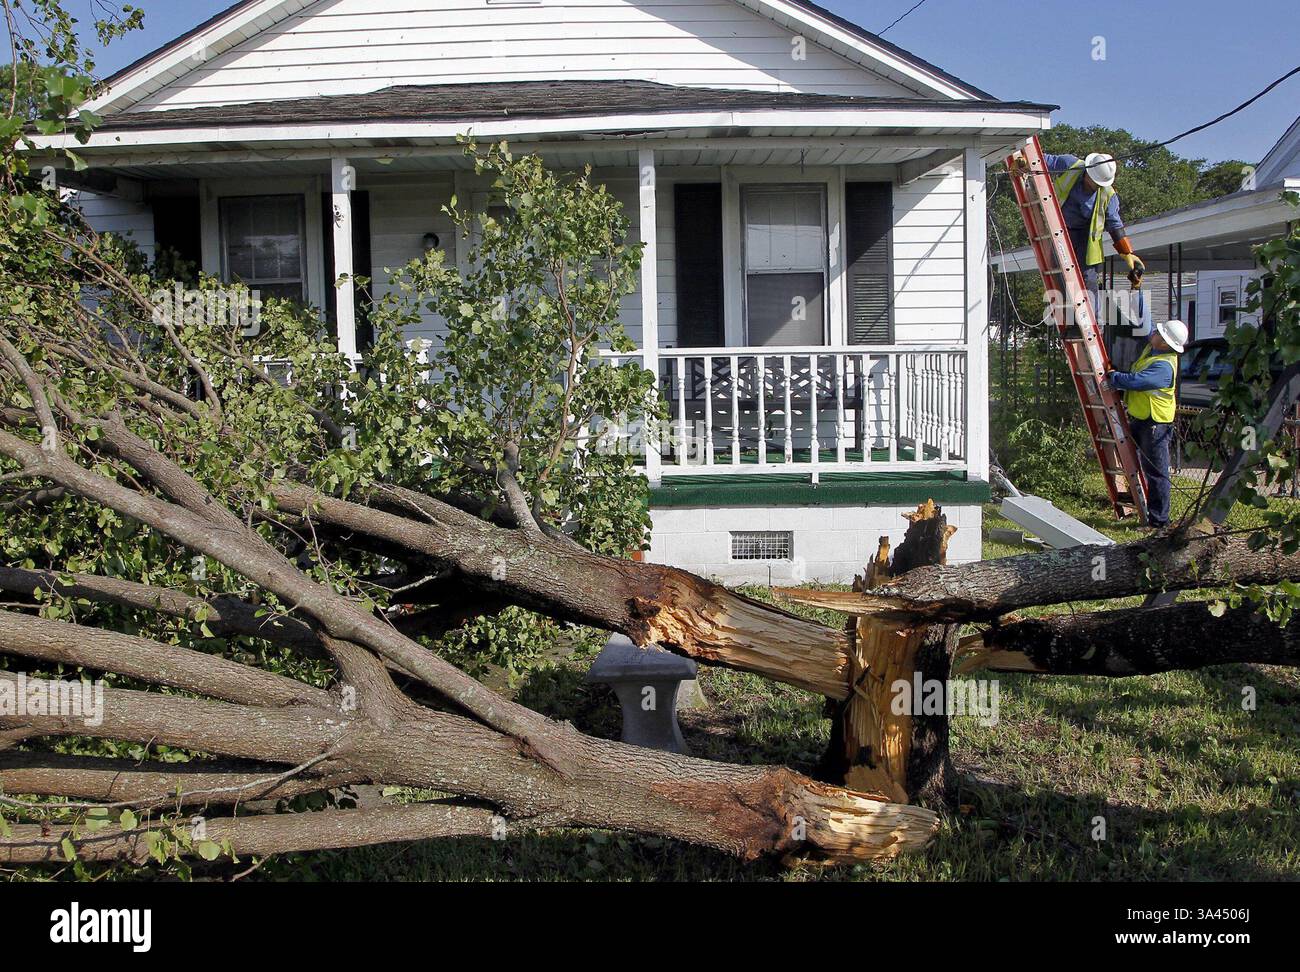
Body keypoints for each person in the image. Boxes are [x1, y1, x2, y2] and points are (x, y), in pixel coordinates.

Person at [1105, 319, 1188, 530]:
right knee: (1132, 460)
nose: (1154, 333)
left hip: (1155, 424)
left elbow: (1137, 382)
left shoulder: (1164, 365)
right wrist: (1136, 292)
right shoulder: (1154, 350)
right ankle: (1140, 504)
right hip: (1143, 420)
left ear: (1165, 343)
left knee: (1157, 473)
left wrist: (1114, 377)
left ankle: (1159, 522)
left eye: (1159, 333)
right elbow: (1145, 320)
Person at [1041, 151, 1144, 315]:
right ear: (1087, 171)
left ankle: (1092, 319)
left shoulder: (1108, 195)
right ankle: (1068, 315)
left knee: (1087, 279)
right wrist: (1022, 161)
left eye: (1099, 184)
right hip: (1060, 228)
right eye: (1094, 182)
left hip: (1085, 238)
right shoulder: (1072, 166)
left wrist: (1127, 253)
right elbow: (1042, 161)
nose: (1096, 186)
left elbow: (1114, 224)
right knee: (1057, 271)